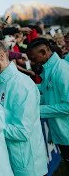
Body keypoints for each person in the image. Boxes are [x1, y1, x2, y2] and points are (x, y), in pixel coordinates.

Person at [0, 39, 48, 175]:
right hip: (7, 163)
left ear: (1, 56)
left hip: (28, 168)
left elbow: (22, 132)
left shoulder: (22, 85)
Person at [26, 38, 69, 168]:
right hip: (62, 133)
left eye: (33, 58)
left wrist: (38, 110)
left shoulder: (61, 70)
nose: (32, 62)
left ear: (44, 53)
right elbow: (48, 95)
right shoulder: (49, 69)